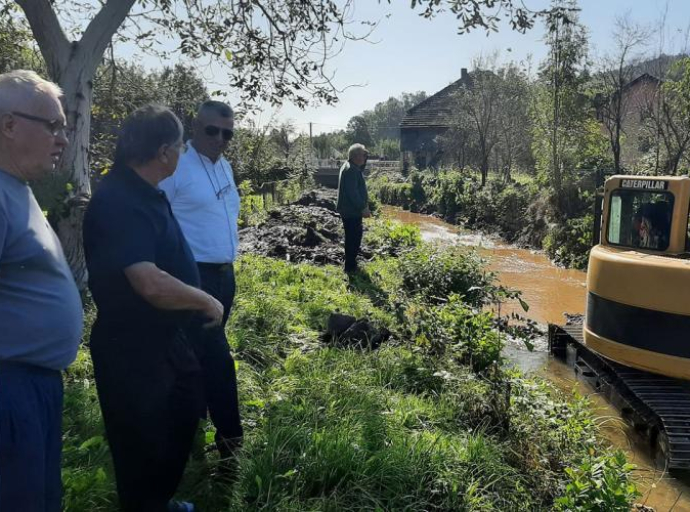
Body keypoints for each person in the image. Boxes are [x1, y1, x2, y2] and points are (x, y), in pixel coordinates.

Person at [83, 105, 223, 512]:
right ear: (164, 151)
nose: (182, 153)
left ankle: (158, 501)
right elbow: (147, 281)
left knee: (177, 423)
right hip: (134, 351)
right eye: (180, 146)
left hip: (164, 342)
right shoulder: (119, 199)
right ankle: (147, 503)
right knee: (142, 445)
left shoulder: (143, 191)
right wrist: (205, 299)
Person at [0, 70, 83, 512]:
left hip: (33, 388)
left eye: (64, 128)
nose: (63, 139)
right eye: (52, 125)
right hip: (10, 391)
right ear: (9, 125)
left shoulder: (18, 189)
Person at [157, 100, 244, 468]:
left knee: (196, 358)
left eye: (227, 133)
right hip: (193, 276)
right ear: (195, 129)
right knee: (219, 361)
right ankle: (231, 446)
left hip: (224, 276)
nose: (220, 139)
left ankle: (186, 425)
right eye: (212, 131)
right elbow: (157, 218)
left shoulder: (223, 166)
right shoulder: (177, 167)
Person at [336, 143, 371, 273]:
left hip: (348, 210)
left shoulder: (349, 166)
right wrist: (363, 208)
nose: (365, 157)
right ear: (356, 156)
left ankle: (350, 264)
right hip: (351, 211)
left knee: (352, 237)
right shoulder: (351, 170)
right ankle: (350, 267)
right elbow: (353, 193)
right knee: (354, 238)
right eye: (363, 155)